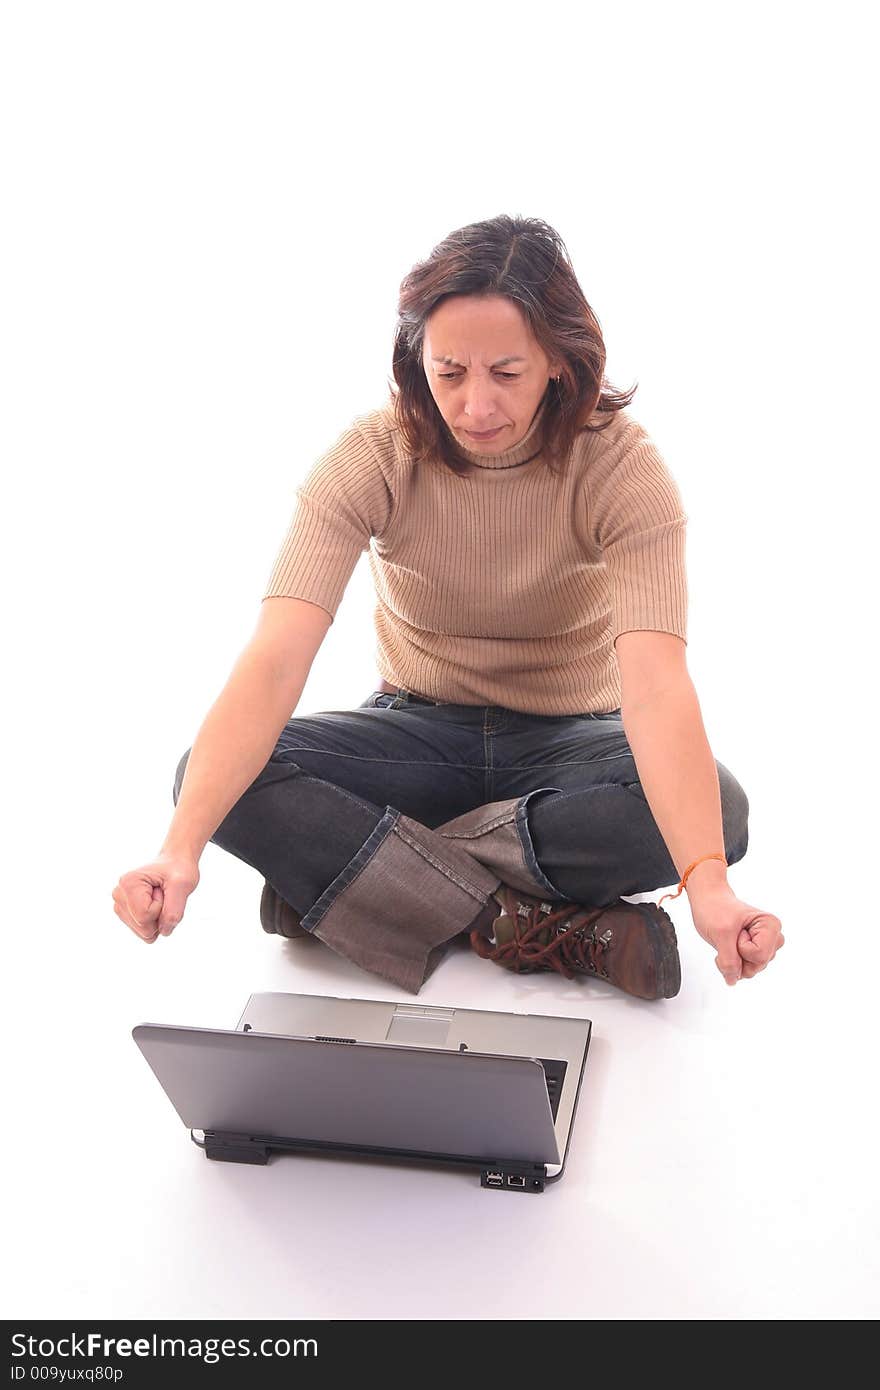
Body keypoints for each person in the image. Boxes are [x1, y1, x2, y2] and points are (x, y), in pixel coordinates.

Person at [111, 214, 784, 1000]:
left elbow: (658, 689)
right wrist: (178, 852)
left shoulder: (623, 468)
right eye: (450, 371)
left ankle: (370, 884)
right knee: (210, 777)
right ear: (415, 361)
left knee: (720, 814)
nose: (476, 405)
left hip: (569, 746)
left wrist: (708, 886)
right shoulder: (372, 456)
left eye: (506, 371)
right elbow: (274, 661)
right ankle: (529, 922)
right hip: (415, 732)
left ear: (560, 363)